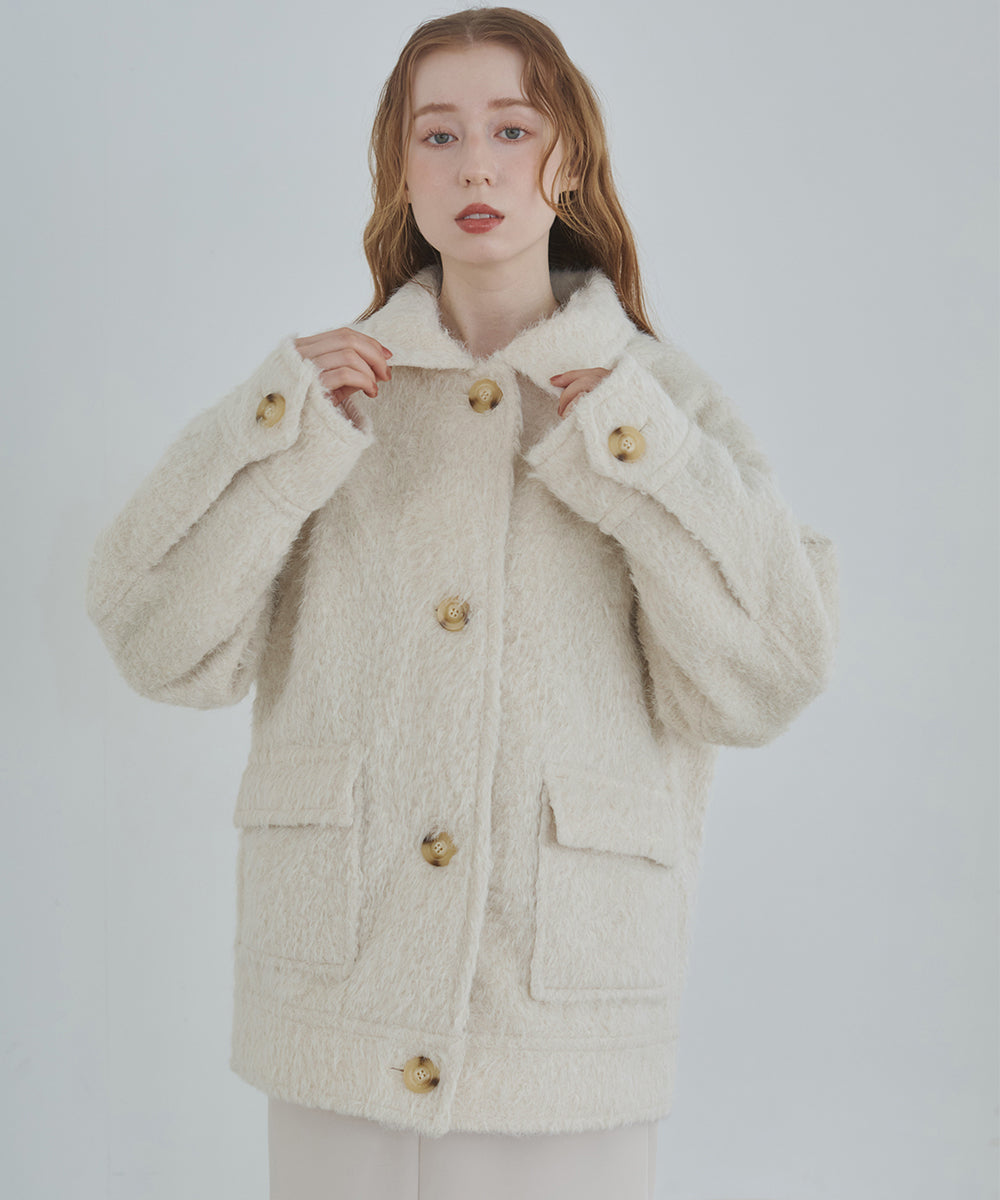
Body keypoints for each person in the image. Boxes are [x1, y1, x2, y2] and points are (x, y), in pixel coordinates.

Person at [85, 7, 840, 1199]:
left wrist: (636, 455)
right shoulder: (327, 394)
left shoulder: (656, 400)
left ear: (568, 158)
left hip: (558, 1009)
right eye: (437, 135)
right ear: (399, 169)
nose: (474, 166)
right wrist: (272, 436)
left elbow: (763, 682)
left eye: (511, 128)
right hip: (341, 992)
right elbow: (157, 644)